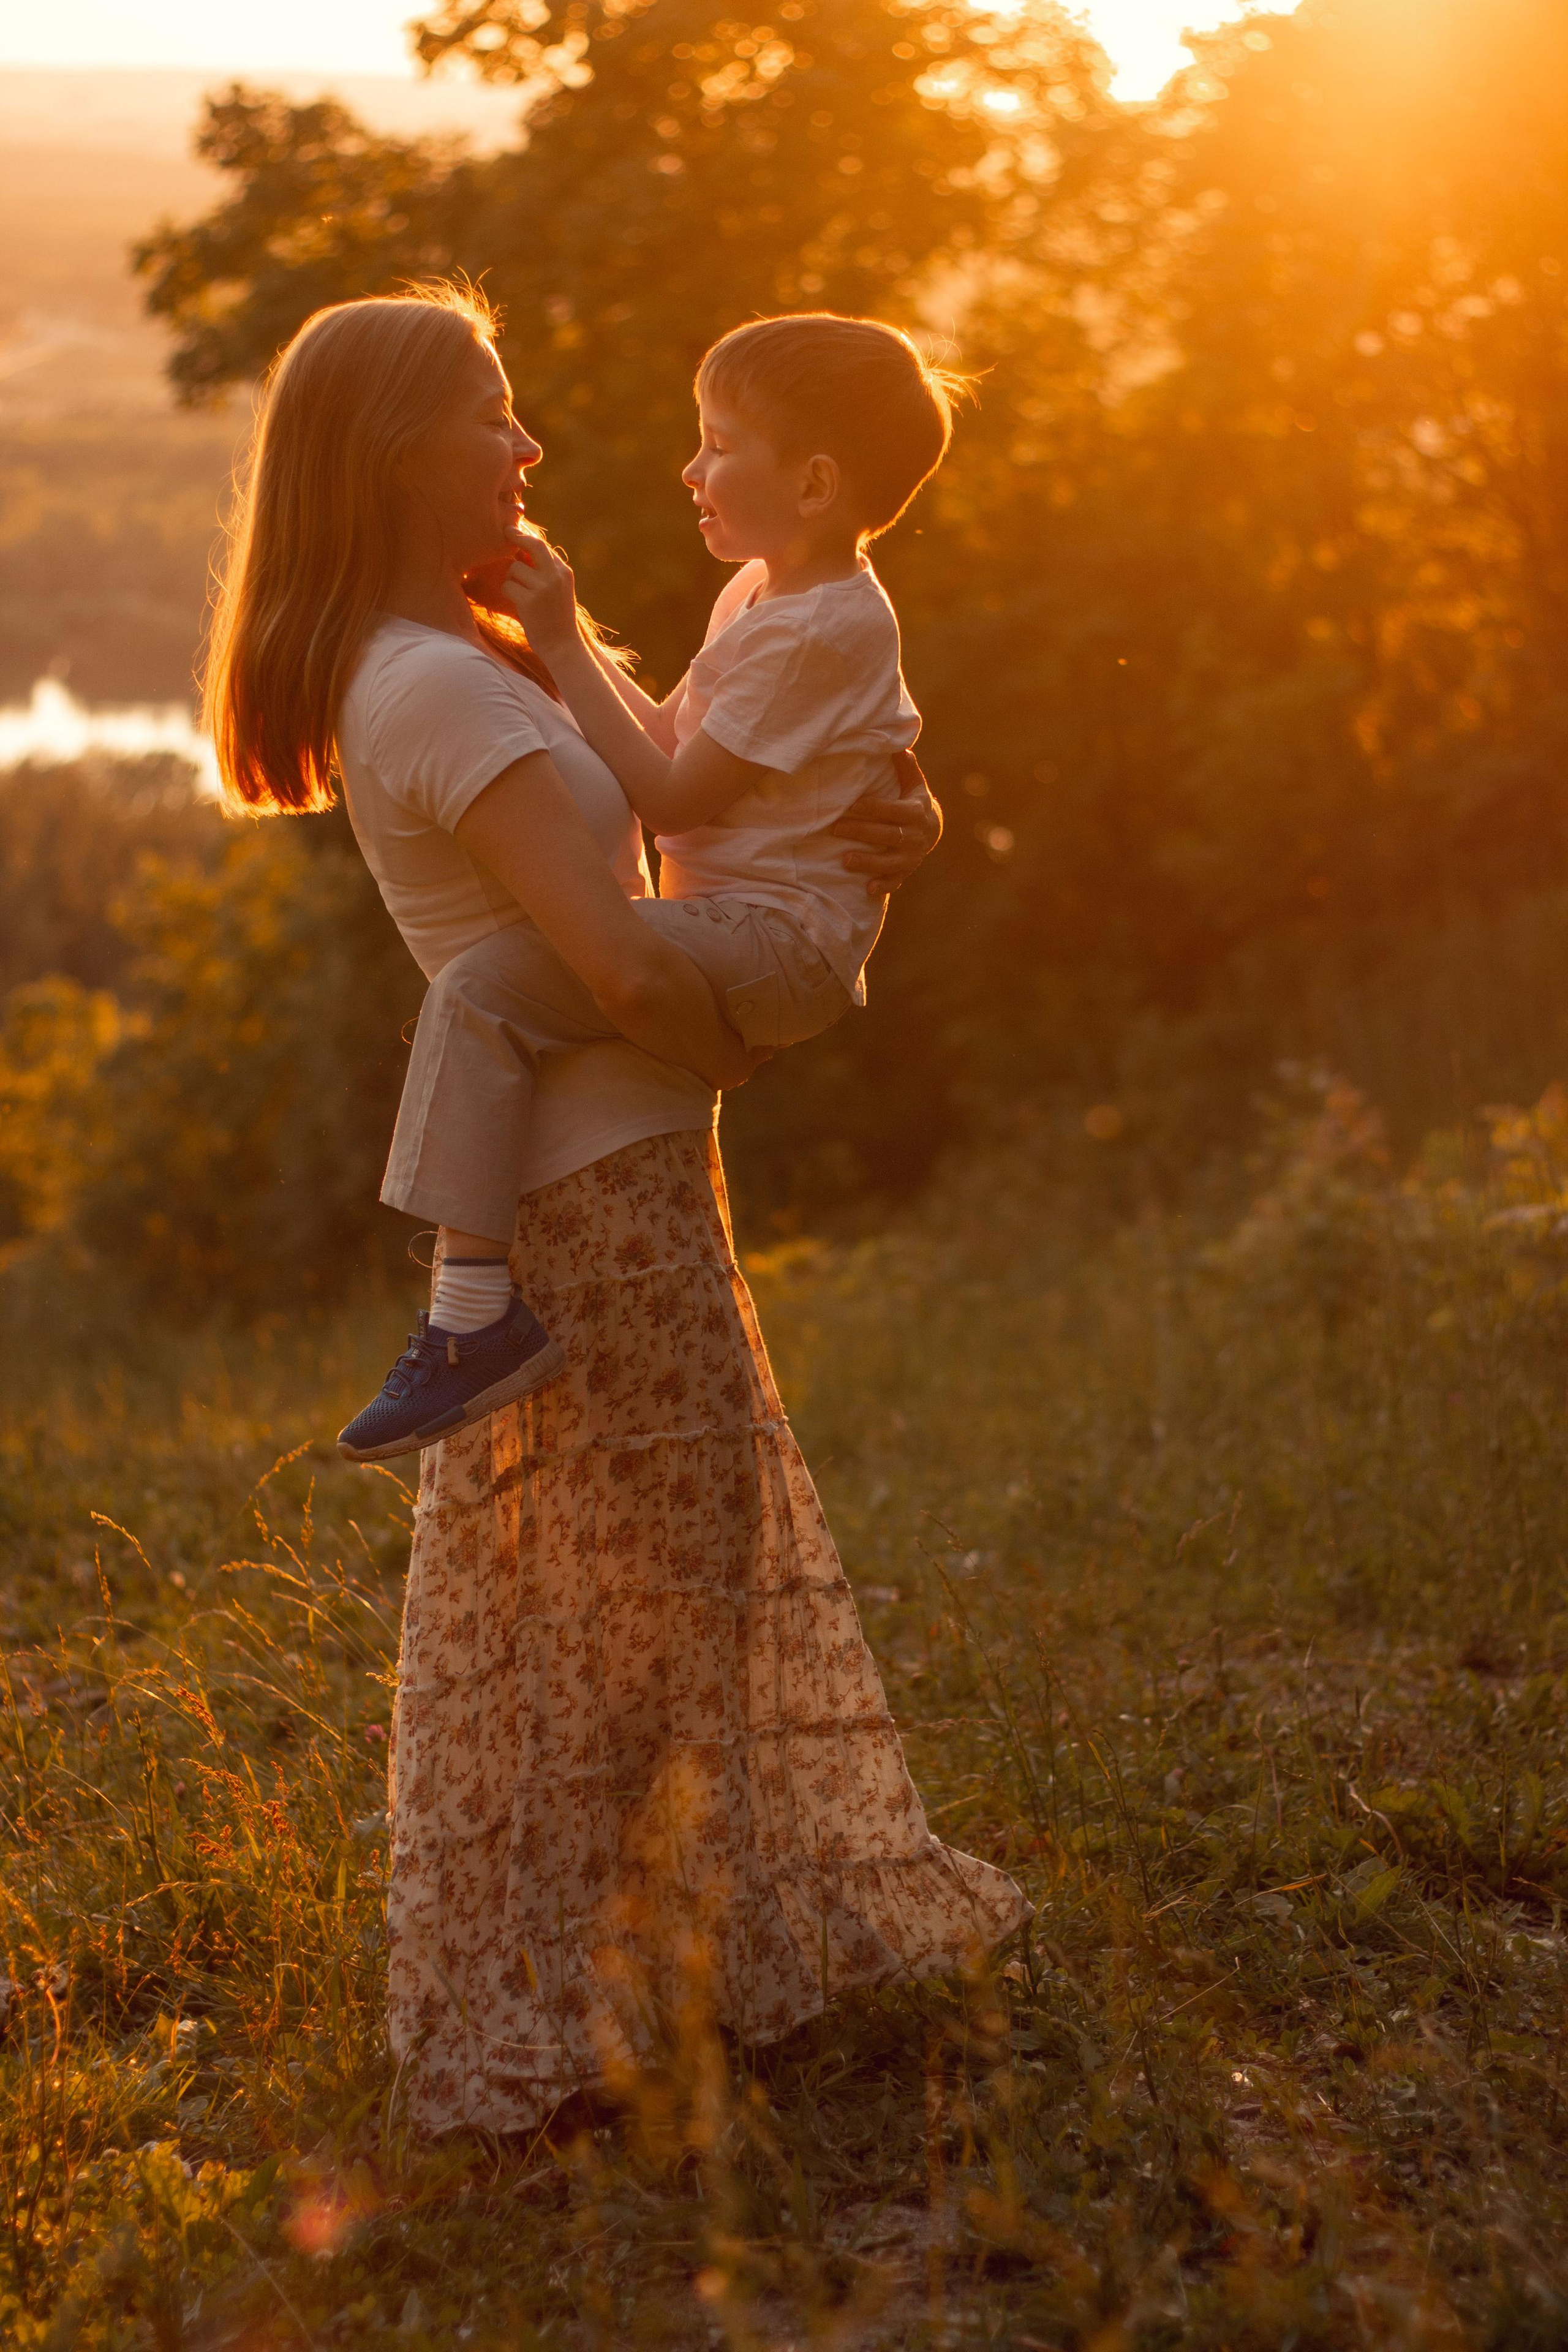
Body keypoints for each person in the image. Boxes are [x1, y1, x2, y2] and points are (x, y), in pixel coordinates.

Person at [206, 278, 1028, 2136]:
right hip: (595, 1182)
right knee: (624, 1612)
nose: (530, 444)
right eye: (493, 414)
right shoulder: (432, 685)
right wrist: (769, 989)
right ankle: (543, 2016)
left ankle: (651, 1976)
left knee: (647, 1593)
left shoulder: (480, 650)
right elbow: (639, 979)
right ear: (397, 456)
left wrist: (873, 833)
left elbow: (693, 822)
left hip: (625, 1161)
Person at [336, 314, 956, 1464]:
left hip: (770, 941)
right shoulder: (762, 599)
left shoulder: (816, 625)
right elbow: (682, 744)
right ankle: (466, 1312)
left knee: (480, 993)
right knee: (488, 991)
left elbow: (671, 799)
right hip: (745, 927)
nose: (691, 469)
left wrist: (565, 642)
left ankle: (466, 1317)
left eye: (719, 445)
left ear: (815, 483)